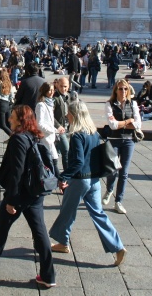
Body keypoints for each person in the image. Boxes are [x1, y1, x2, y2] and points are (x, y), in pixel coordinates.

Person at [0, 105, 56, 288]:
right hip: (35, 192)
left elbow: (16, 172)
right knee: (39, 232)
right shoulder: (36, 136)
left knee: (2, 226)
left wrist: (11, 199)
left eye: (12, 117)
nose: (9, 120)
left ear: (20, 120)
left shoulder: (19, 139)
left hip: (20, 194)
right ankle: (48, 275)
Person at [49, 100, 127, 265]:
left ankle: (63, 243)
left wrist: (63, 177)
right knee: (98, 214)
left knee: (67, 212)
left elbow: (77, 161)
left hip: (80, 180)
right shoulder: (93, 132)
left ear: (74, 115)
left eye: (69, 113)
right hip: (94, 180)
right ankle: (118, 246)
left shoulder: (77, 135)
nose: (66, 116)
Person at [103, 80, 142, 214]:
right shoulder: (109, 104)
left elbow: (138, 124)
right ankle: (109, 189)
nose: (123, 91)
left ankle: (118, 201)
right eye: (120, 89)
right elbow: (112, 125)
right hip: (114, 140)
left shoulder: (133, 104)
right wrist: (128, 122)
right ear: (115, 90)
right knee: (112, 169)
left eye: (126, 89)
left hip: (128, 140)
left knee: (124, 172)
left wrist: (122, 123)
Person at [35, 82, 59, 175]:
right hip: (45, 138)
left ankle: (53, 179)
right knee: (52, 160)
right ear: (45, 91)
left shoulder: (50, 103)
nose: (52, 92)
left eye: (53, 90)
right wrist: (52, 130)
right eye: (50, 90)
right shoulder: (41, 105)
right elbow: (39, 123)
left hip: (50, 138)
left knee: (52, 160)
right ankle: (58, 181)